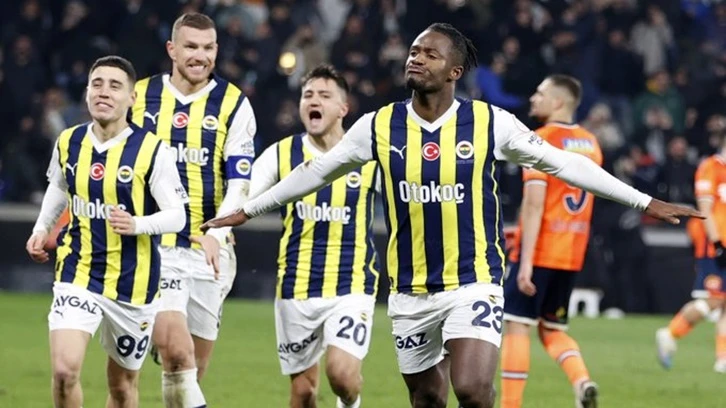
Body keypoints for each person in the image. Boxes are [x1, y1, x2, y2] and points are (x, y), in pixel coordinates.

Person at [202, 23, 701, 408]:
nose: (416, 59)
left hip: (473, 280)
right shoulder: (378, 126)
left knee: (473, 390)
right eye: (414, 51)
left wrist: (644, 201)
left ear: (454, 72)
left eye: (429, 54)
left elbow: (565, 164)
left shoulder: (488, 122)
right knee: (427, 398)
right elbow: (315, 172)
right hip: (410, 291)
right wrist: (248, 209)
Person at [25, 55, 188, 408]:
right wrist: (42, 228)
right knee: (64, 372)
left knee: (123, 388)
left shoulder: (151, 150)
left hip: (133, 284)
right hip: (78, 271)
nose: (104, 92)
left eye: (115, 86)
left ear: (132, 98)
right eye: (97, 84)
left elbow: (178, 216)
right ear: (86, 92)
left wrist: (138, 224)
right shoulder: (69, 141)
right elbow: (59, 186)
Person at [130, 12, 257, 407]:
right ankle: (165, 336)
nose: (200, 56)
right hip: (156, 246)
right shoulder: (139, 97)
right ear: (172, 49)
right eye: (190, 47)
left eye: (207, 48)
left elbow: (239, 183)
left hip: (209, 251)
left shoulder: (234, 104)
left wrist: (217, 233)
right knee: (177, 353)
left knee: (190, 373)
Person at [250, 64, 380, 408]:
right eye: (308, 95)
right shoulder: (282, 154)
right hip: (296, 287)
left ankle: (350, 401)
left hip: (350, 286)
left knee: (342, 376)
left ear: (343, 108)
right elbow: (245, 194)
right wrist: (220, 228)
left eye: (324, 95)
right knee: (304, 392)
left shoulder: (367, 157)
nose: (313, 101)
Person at [500, 75, 602, 408]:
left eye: (540, 93)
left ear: (557, 102)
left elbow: (534, 204)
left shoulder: (541, 140)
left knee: (517, 326)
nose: (533, 98)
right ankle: (582, 381)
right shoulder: (591, 143)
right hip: (571, 252)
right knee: (552, 329)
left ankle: (510, 405)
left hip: (541, 250)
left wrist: (524, 262)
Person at [656, 142, 726, 373]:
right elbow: (705, 209)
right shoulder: (711, 167)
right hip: (714, 246)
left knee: (724, 303)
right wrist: (717, 244)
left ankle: (723, 358)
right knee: (714, 300)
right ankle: (670, 333)